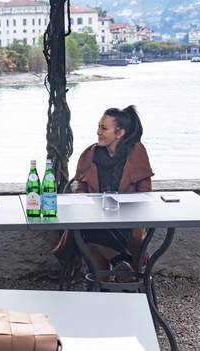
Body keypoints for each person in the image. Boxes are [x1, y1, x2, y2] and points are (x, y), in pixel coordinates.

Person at [53, 105, 153, 278]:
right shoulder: (89, 154)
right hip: (95, 219)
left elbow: (145, 194)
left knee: (89, 238)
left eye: (104, 128)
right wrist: (81, 197)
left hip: (127, 224)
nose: (98, 132)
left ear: (120, 133)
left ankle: (105, 284)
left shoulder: (137, 152)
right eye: (98, 126)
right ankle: (119, 263)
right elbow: (80, 193)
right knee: (86, 229)